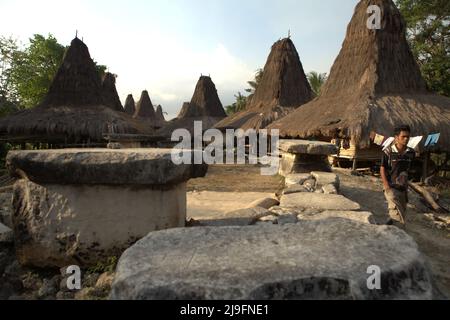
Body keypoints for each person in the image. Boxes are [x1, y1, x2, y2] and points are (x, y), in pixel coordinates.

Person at [380, 125, 416, 226]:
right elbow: (382, 168)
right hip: (391, 187)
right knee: (395, 212)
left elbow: (410, 169)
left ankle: (388, 226)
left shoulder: (411, 153)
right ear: (396, 137)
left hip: (403, 188)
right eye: (403, 136)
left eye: (408, 137)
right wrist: (386, 185)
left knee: (401, 212)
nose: (406, 139)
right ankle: (398, 232)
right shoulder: (388, 152)